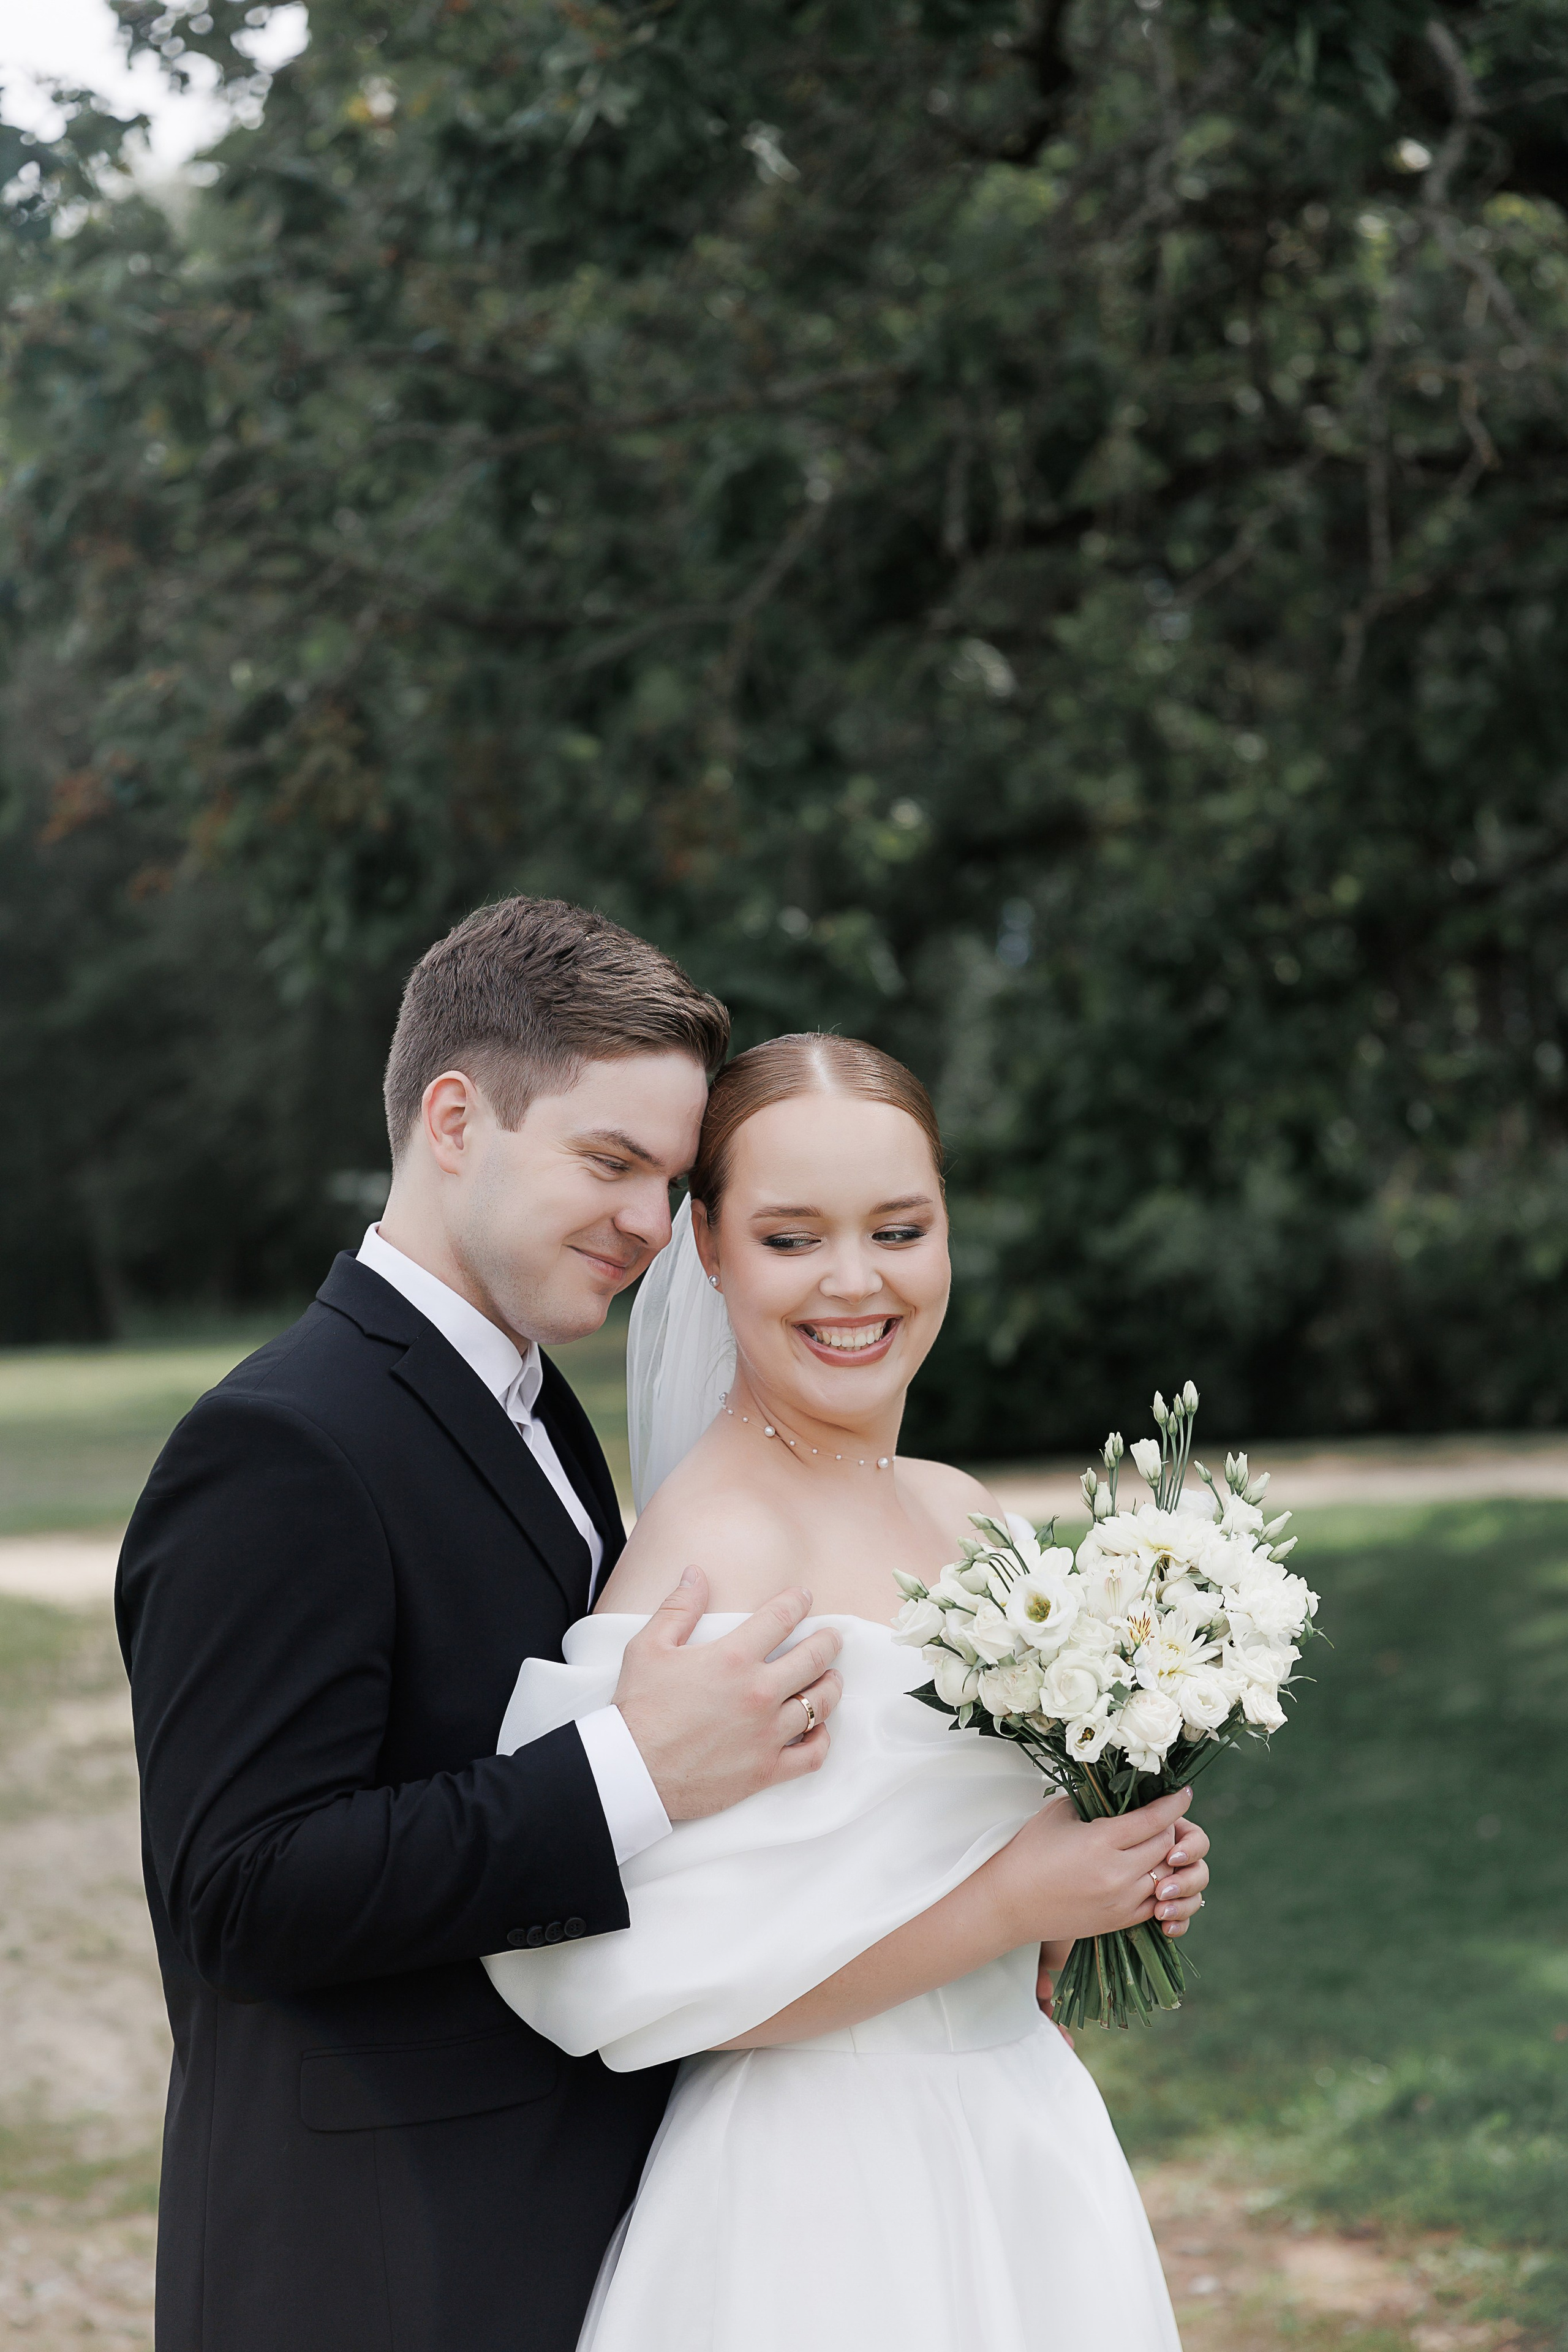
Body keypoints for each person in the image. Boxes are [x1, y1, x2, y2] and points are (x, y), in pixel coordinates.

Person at [115, 899, 850, 2352]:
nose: (652, 1225)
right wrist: (630, 1768)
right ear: (454, 1118)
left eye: (670, 1179)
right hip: (368, 2267)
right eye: (609, 1161)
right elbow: (242, 1891)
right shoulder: (280, 1446)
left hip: (547, 2228)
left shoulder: (531, 1408)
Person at [484, 1033, 1210, 2351]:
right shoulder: (721, 1553)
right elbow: (641, 1980)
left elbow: (943, 1859)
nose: (854, 1282)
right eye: (790, 1238)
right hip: (820, 2195)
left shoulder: (959, 1508)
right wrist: (1007, 1898)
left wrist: (1107, 1879)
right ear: (705, 1248)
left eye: (897, 1227)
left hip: (1017, 2139)